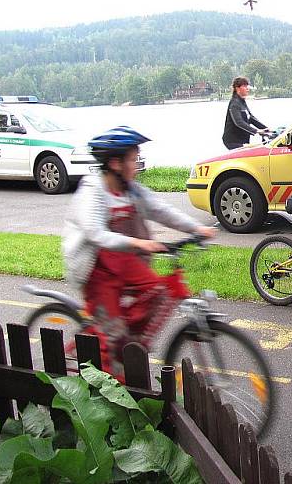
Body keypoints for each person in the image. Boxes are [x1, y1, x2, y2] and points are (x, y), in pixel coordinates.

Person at [62, 126, 215, 377]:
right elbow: (95, 234)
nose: (137, 164)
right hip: (96, 269)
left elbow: (160, 209)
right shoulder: (93, 190)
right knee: (112, 337)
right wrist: (138, 243)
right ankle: (111, 381)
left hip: (123, 261)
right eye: (133, 159)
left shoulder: (130, 190)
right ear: (114, 163)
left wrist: (196, 228)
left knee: (159, 291)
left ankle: (127, 339)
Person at [222, 76, 270, 150]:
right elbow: (238, 122)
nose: (247, 88)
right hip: (233, 141)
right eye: (244, 86)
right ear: (237, 88)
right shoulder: (234, 103)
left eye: (247, 86)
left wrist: (266, 129)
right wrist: (256, 131)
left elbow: (251, 118)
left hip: (243, 139)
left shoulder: (242, 102)